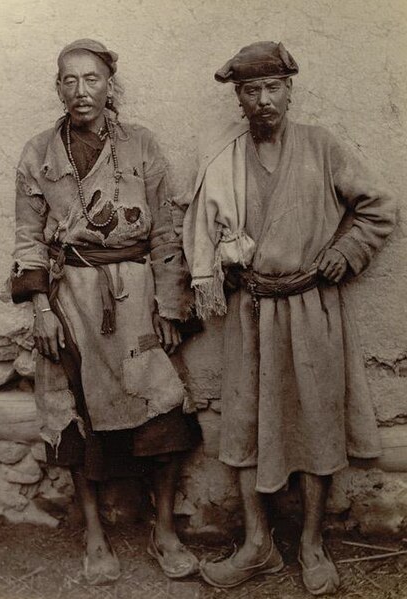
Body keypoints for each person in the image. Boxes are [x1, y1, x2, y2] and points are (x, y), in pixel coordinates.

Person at [183, 41, 396, 595]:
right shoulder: (225, 160)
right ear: (239, 99)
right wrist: (224, 263)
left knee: (317, 421)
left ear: (289, 90)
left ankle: (311, 544)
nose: (263, 100)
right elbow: (206, 234)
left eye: (272, 88)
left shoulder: (322, 147)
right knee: (246, 422)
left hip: (313, 308)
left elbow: (378, 208)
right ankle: (258, 546)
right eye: (250, 91)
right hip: (250, 311)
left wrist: (345, 252)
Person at [11, 38, 199, 585]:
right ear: (58, 88)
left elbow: (166, 229)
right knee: (72, 415)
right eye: (68, 81)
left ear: (110, 85)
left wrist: (170, 303)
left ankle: (164, 530)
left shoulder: (140, 145)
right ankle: (94, 534)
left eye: (91, 79)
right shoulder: (39, 153)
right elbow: (27, 238)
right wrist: (41, 307)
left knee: (164, 408)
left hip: (137, 297)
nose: (80, 91)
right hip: (70, 298)